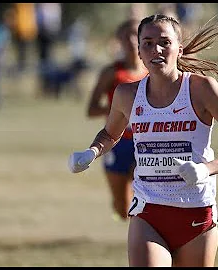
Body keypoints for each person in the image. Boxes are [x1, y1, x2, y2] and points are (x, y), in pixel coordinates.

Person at [68, 14, 218, 266]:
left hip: (196, 213)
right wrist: (90, 152)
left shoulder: (202, 89)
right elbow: (110, 134)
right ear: (139, 52)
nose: (156, 49)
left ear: (179, 48)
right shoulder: (127, 94)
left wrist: (204, 170)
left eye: (165, 42)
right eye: (148, 43)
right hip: (149, 211)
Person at [86, 18, 148, 221]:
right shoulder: (112, 72)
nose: (131, 40)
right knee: (122, 207)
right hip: (117, 143)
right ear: (119, 40)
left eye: (135, 35)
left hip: (146, 143)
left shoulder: (154, 71)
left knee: (145, 194)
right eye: (126, 35)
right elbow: (91, 109)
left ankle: (146, 237)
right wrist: (118, 110)